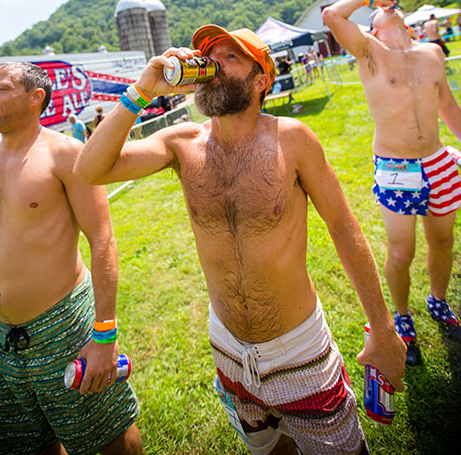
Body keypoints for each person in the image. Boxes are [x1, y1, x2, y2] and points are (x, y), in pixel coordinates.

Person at [74, 26, 405, 455]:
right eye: (209, 56)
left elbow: (343, 227)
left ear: (260, 79)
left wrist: (381, 328)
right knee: (268, 448)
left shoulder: (293, 139)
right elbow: (90, 169)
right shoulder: (182, 143)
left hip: (297, 350)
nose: (212, 66)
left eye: (230, 58)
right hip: (228, 348)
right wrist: (141, 90)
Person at [0, 62, 141, 455]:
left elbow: (102, 241)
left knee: (107, 437)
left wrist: (104, 336)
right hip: (3, 340)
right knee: (27, 445)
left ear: (35, 97)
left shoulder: (66, 154)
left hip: (66, 328)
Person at [323, 0, 461, 367]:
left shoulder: (432, 53)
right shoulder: (371, 54)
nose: (389, 11)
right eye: (378, 15)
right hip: (397, 170)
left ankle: (439, 301)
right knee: (402, 252)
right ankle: (402, 317)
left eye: (393, 9)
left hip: (437, 161)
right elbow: (333, 16)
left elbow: (448, 105)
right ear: (373, 32)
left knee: (443, 240)